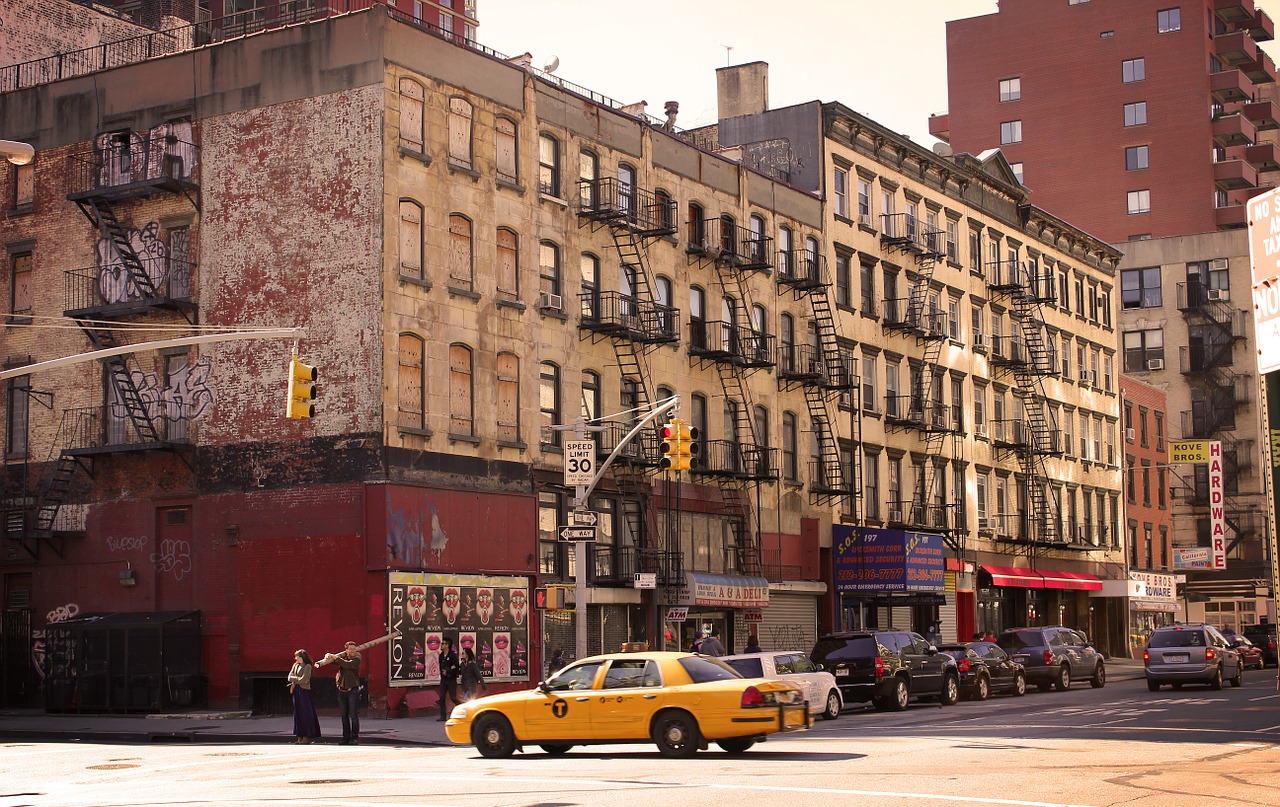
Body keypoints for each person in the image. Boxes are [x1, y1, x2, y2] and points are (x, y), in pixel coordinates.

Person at [325, 641, 362, 746]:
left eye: (354, 649)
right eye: (350, 649)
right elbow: (332, 662)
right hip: (342, 691)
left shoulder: (357, 658)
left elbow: (348, 665)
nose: (353, 651)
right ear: (346, 650)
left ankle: (354, 737)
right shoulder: (343, 658)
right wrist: (329, 656)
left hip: (352, 691)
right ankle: (346, 737)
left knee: (353, 715)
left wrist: (336, 658)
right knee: (344, 716)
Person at [288, 649, 321, 744]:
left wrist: (296, 680)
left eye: (297, 656)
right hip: (296, 690)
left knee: (305, 713)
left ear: (301, 657)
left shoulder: (307, 666)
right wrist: (297, 679)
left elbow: (305, 679)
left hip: (304, 691)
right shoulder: (295, 665)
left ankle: (307, 736)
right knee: (298, 713)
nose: (295, 658)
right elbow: (289, 677)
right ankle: (299, 736)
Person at [438, 636, 461, 721]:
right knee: (441, 697)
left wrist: (448, 671)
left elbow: (456, 666)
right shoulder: (441, 656)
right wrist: (443, 673)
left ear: (447, 645)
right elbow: (441, 666)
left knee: (453, 697)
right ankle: (442, 715)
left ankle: (462, 708)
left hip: (451, 680)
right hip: (444, 680)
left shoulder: (452, 655)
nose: (441, 645)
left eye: (443, 644)